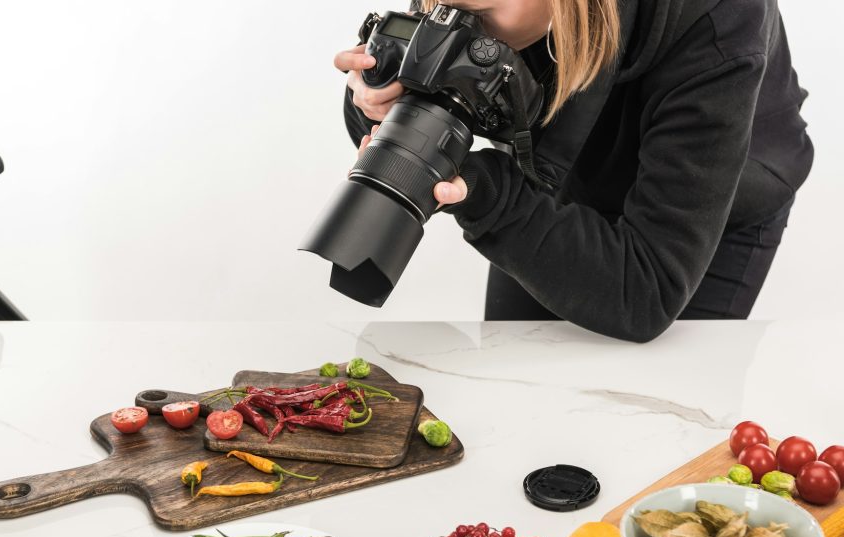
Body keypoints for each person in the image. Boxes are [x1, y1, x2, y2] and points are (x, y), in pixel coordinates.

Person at [335, 0, 813, 342]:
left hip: (711, 206)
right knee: (515, 384)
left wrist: (489, 194)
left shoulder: (720, 19)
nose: (457, 23)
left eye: (475, 16)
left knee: (667, 418)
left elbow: (644, 295)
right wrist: (383, 98)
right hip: (560, 172)